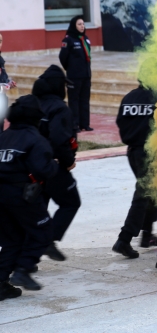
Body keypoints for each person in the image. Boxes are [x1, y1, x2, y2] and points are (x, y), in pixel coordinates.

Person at [0, 95, 59, 299]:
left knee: (12, 239)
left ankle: (0, 283)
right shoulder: (34, 139)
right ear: (35, 118)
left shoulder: (3, 137)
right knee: (42, 230)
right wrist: (55, 165)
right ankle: (23, 271)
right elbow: (43, 169)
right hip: (20, 195)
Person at [32, 65, 81, 262]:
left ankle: (27, 261)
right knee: (70, 202)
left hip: (29, 167)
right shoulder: (60, 108)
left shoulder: (32, 104)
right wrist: (68, 161)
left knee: (38, 209)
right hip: (51, 165)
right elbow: (60, 139)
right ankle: (48, 240)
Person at [112, 80, 157, 260]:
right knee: (143, 196)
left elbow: (121, 122)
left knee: (152, 192)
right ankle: (124, 239)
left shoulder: (129, 97)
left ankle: (147, 234)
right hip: (150, 154)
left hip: (133, 152)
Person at [59, 16, 93, 132]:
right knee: (74, 101)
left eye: (83, 24)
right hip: (74, 76)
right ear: (74, 25)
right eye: (79, 24)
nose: (82, 26)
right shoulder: (68, 40)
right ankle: (74, 124)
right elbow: (63, 57)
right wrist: (70, 68)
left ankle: (85, 124)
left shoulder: (85, 39)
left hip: (86, 75)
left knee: (84, 100)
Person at [0, 33, 17, 133]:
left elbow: (3, 78)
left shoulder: (0, 60)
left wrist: (9, 83)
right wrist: (3, 88)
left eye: (0, 41)